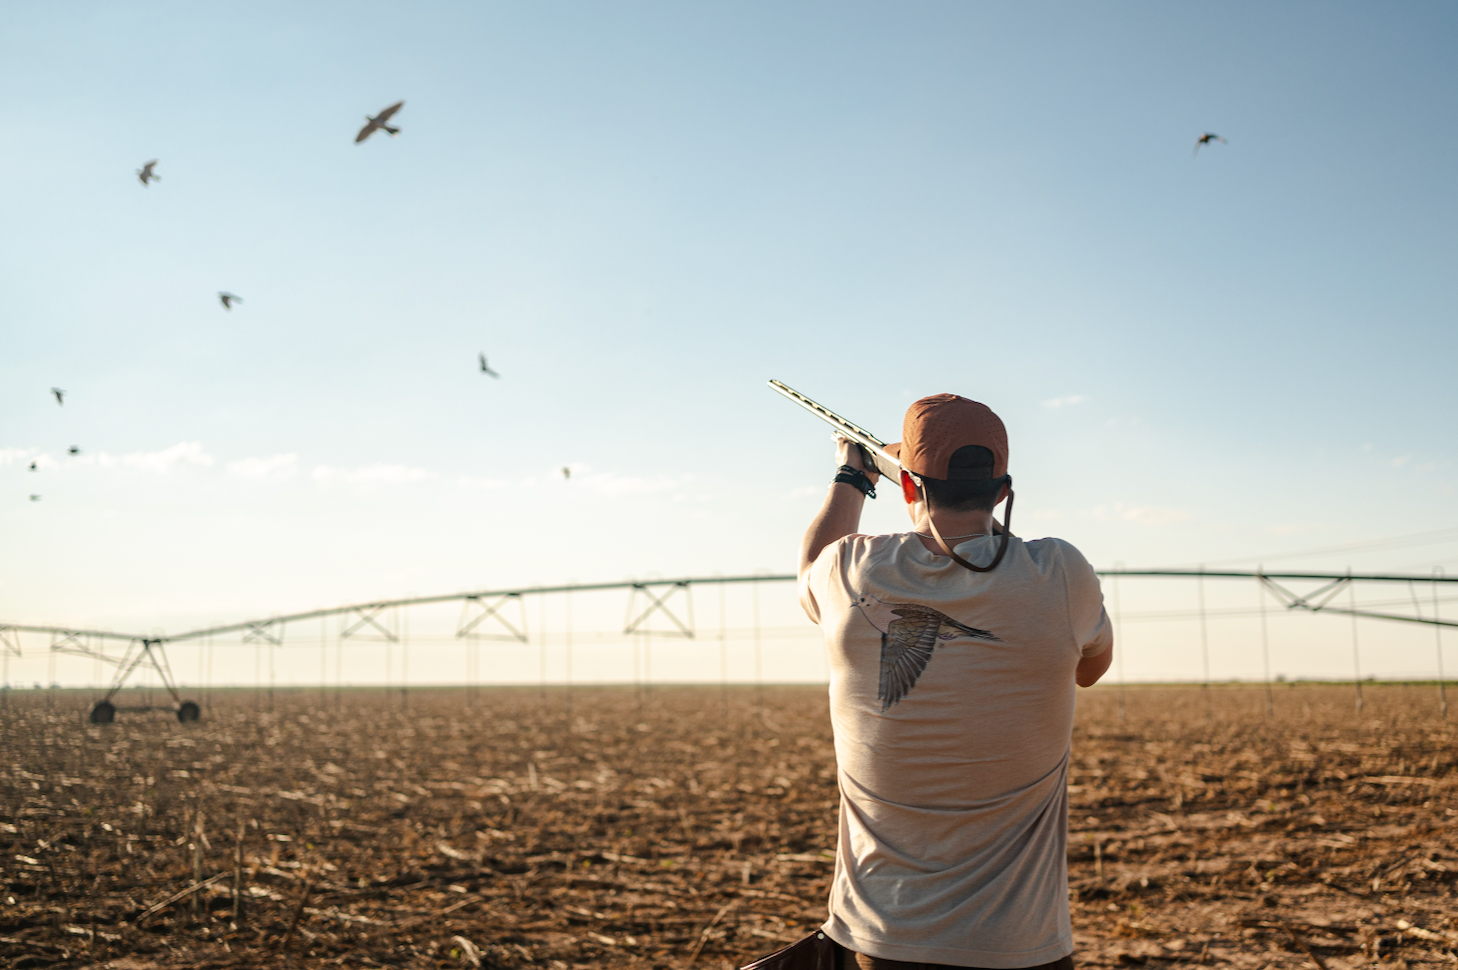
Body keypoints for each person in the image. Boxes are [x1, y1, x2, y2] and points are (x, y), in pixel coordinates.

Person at [798, 393, 1114, 970]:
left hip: (883, 941)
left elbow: (810, 569)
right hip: (1026, 948)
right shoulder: (1062, 573)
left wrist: (854, 472)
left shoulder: (850, 570)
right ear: (1002, 490)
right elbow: (1091, 668)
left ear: (910, 488)